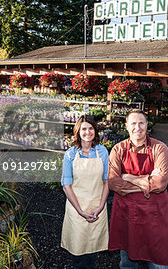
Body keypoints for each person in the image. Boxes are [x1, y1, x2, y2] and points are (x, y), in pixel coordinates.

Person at [108, 109, 168, 268]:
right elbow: (113, 183)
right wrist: (146, 182)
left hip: (154, 216)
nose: (137, 127)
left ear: (147, 125)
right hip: (127, 214)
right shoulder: (118, 149)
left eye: (141, 123)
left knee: (160, 264)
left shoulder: (160, 148)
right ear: (126, 126)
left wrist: (129, 177)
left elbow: (160, 184)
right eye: (133, 123)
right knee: (127, 262)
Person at [61, 115, 109, 269]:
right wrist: (81, 211)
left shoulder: (102, 152)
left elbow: (106, 181)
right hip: (77, 209)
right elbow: (66, 186)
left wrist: (101, 206)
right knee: (77, 256)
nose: (87, 132)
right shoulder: (70, 154)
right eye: (84, 129)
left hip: (97, 207)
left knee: (92, 254)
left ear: (95, 130)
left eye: (90, 128)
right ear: (78, 132)